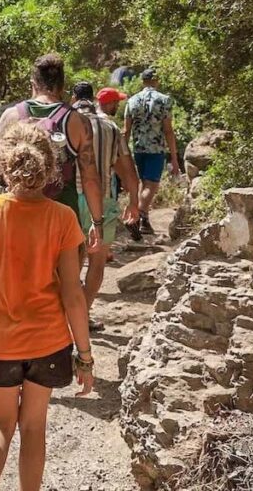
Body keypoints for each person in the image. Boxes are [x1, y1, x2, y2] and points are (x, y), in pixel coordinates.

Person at [0, 122, 95, 491]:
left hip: (0, 343)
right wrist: (84, 355)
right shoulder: (63, 218)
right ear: (50, 168)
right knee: (33, 427)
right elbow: (73, 294)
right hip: (48, 342)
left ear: (2, 164)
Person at [0, 53, 105, 254]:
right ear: (62, 86)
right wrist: (97, 223)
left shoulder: (10, 116)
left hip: (16, 219)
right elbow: (90, 178)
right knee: (64, 282)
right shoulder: (77, 122)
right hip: (62, 220)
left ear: (33, 84)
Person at [70, 83, 141, 328]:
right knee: (97, 261)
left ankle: (65, 315)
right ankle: (83, 316)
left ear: (73, 98)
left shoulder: (67, 121)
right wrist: (134, 201)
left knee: (71, 260)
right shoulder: (110, 127)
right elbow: (127, 168)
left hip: (70, 198)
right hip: (102, 198)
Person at [124, 68, 180, 237]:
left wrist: (122, 152)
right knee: (152, 184)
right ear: (156, 81)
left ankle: (144, 223)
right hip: (156, 149)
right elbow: (168, 130)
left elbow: (126, 130)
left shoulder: (132, 101)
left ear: (142, 81)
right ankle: (137, 215)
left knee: (144, 183)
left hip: (138, 148)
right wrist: (175, 158)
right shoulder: (164, 100)